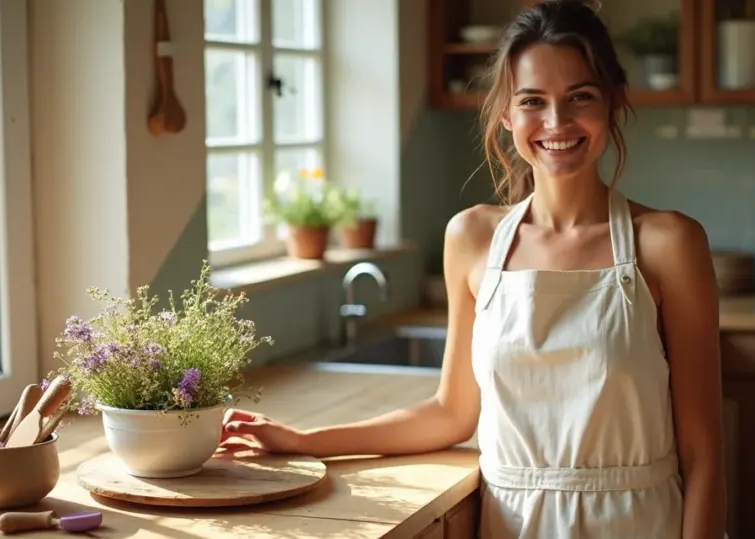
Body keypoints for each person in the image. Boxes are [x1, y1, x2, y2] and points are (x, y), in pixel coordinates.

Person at [218, 0, 727, 537]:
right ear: (507, 115)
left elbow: (704, 452)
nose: (557, 122)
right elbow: (451, 412)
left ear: (613, 104)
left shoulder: (669, 244)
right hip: (512, 523)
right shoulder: (473, 238)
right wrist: (302, 441)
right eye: (533, 101)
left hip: (638, 522)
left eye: (581, 97)